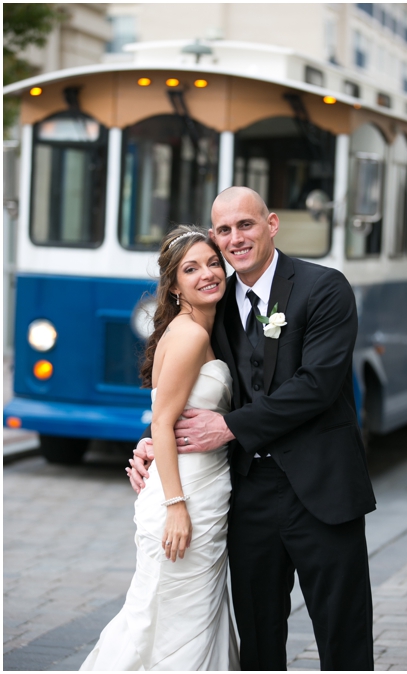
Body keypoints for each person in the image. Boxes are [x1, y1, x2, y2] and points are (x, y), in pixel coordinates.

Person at [129, 187, 376, 670]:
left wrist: (228, 427)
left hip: (323, 488)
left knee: (342, 633)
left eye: (246, 225)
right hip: (246, 495)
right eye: (224, 230)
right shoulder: (212, 301)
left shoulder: (324, 287)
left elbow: (316, 385)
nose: (235, 238)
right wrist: (152, 443)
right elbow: (182, 390)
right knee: (258, 641)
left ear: (272, 224)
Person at [83, 226, 239, 669]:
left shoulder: (194, 329)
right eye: (192, 269)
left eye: (213, 263)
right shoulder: (190, 335)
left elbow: (167, 418)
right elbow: (164, 421)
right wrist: (175, 505)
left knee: (172, 617)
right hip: (185, 499)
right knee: (173, 623)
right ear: (173, 286)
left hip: (201, 492)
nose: (208, 273)